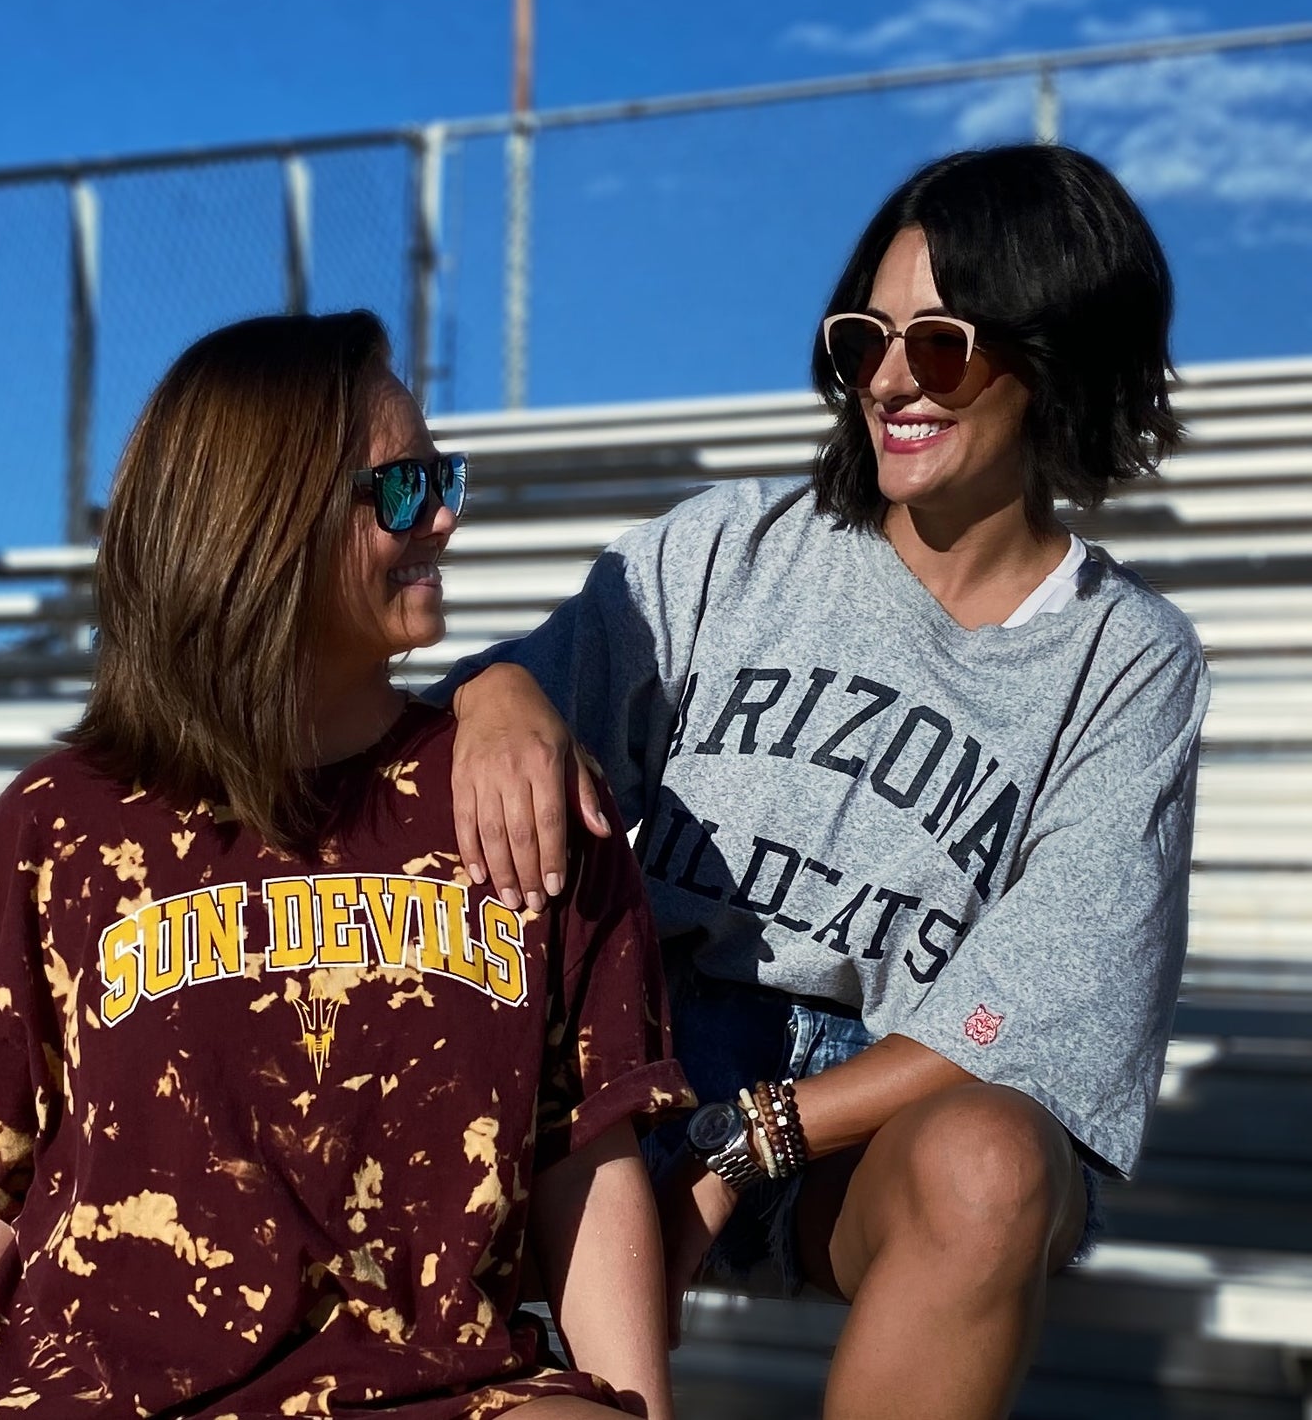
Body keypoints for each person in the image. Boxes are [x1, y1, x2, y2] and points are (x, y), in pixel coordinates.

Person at [436, 144, 1210, 1420]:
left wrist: (752, 1141)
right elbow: (510, 725)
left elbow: (1042, 1000)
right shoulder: (727, 549)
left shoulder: (1125, 658)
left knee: (993, 1163)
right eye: (866, 338)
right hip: (652, 1046)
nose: (893, 379)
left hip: (887, 1106)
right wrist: (497, 687)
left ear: (1056, 350)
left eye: (944, 343)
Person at [0, 312, 694, 1420]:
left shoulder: (518, 796)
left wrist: (635, 1405)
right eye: (401, 487)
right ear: (267, 519)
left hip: (430, 1393)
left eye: (441, 476)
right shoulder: (60, 823)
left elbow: (583, 1161)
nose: (445, 516)